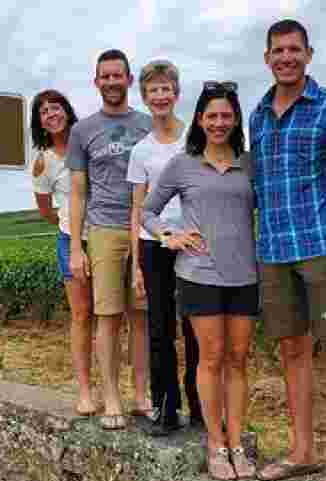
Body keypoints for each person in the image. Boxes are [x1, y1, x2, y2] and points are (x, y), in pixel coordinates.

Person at [247, 19, 326, 481]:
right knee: (292, 349)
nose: (286, 57)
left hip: (322, 244)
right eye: (278, 50)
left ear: (309, 54)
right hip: (273, 248)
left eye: (294, 49)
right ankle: (302, 451)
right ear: (268, 57)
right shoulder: (256, 115)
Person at [140, 82, 258, 480]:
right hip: (199, 274)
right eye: (212, 116)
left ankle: (237, 442)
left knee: (238, 360)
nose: (219, 122)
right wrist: (168, 237)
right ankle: (214, 443)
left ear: (236, 119)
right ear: (200, 120)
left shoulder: (249, 163)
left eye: (226, 115)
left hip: (245, 275)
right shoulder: (183, 163)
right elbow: (148, 211)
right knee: (210, 358)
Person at [67, 49, 154, 430]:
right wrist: (76, 248)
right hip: (103, 230)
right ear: (96, 82)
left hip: (146, 231)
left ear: (129, 80)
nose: (112, 82)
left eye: (118, 75)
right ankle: (112, 399)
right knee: (107, 317)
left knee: (142, 317)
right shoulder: (82, 131)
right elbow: (77, 192)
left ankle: (140, 395)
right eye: (105, 76)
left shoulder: (150, 125)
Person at [126, 59, 204, 436]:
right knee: (159, 329)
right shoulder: (141, 151)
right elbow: (138, 208)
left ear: (176, 93)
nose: (160, 96)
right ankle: (165, 409)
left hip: (191, 241)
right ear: (144, 97)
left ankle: (201, 407)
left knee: (195, 329)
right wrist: (136, 265)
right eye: (153, 90)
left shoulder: (195, 138)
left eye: (165, 89)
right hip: (154, 244)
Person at [30, 89, 96, 417]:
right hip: (71, 241)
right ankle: (85, 390)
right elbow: (45, 209)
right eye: (43, 112)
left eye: (55, 108)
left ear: (67, 111)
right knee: (82, 316)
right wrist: (70, 223)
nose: (51, 114)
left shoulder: (87, 142)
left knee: (114, 317)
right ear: (39, 122)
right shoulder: (44, 161)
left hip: (104, 237)